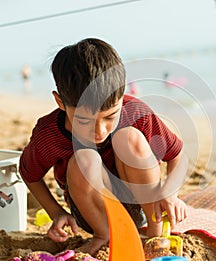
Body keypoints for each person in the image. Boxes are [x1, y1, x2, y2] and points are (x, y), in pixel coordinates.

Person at [19, 38, 187, 255]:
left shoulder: (135, 112)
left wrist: (170, 192)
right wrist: (56, 212)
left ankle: (154, 236)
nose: (99, 131)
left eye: (110, 117)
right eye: (84, 120)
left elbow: (177, 154)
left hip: (142, 206)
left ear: (122, 94)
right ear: (61, 103)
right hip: (93, 213)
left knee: (128, 139)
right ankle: (105, 235)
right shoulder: (49, 133)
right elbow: (29, 173)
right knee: (84, 159)